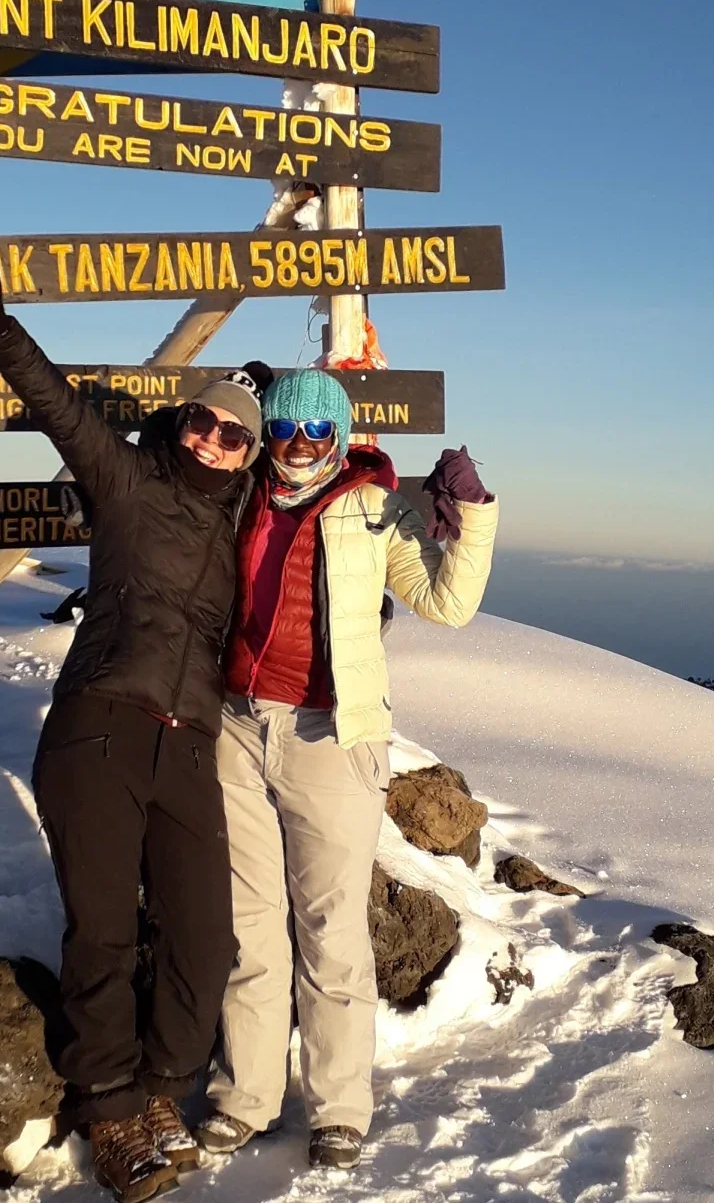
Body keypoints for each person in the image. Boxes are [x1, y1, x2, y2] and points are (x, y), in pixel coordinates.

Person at [0, 236, 271, 1203]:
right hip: (98, 728)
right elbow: (58, 409)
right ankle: (105, 1097)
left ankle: (163, 1088)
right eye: (203, 421)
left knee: (204, 935)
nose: (212, 439)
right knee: (104, 931)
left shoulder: (242, 518)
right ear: (182, 420)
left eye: (232, 433)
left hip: (189, 744)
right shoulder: (126, 482)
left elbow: (313, 493)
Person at [195, 368, 498, 1171]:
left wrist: (470, 513)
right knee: (249, 925)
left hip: (329, 737)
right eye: (285, 427)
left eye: (317, 431)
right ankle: (245, 1096)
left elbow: (446, 602)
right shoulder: (241, 494)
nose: (299, 444)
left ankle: (338, 1107)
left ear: (341, 435)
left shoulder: (375, 510)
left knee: (330, 930)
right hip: (233, 724)